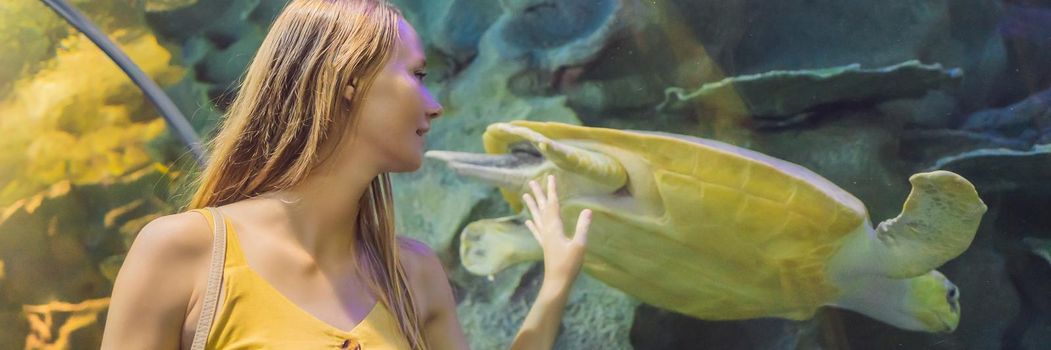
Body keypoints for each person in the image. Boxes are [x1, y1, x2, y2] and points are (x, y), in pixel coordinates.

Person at [99, 0, 593, 349]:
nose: (435, 105)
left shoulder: (414, 276)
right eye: (417, 76)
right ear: (349, 78)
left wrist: (556, 282)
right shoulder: (184, 254)